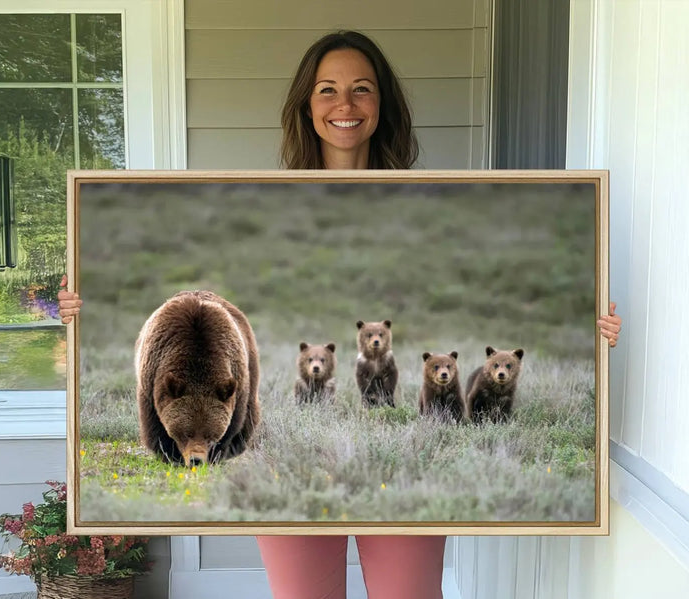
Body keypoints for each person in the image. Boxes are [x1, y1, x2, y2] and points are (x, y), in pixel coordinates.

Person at [58, 30, 622, 599]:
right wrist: (75, 310)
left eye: (362, 90)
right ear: (307, 105)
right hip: (292, 456)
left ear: (383, 105)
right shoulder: (264, 201)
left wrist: (594, 331)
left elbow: (483, 281)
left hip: (402, 463)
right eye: (327, 90)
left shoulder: (436, 201)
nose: (345, 105)